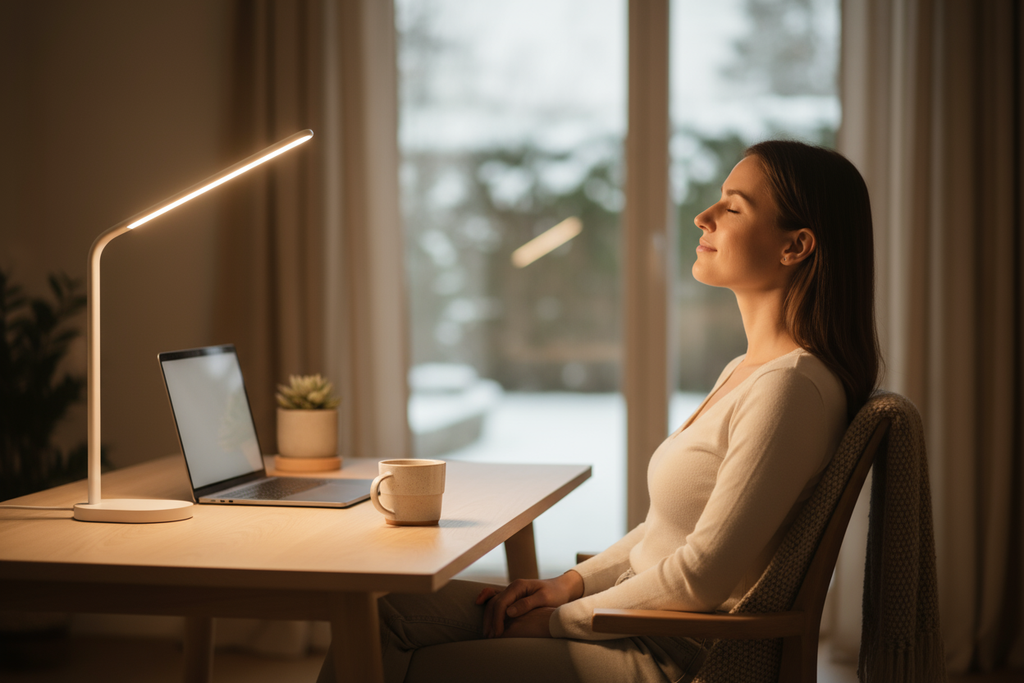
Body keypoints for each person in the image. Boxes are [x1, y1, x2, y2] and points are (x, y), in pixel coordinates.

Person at [317, 140, 880, 683]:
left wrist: (558, 621)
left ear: (795, 246)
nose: (702, 217)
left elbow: (701, 576)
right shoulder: (750, 369)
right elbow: (666, 533)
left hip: (670, 654)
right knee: (382, 613)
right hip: (639, 624)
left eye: (732, 208)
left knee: (385, 657)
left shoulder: (789, 389)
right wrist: (569, 584)